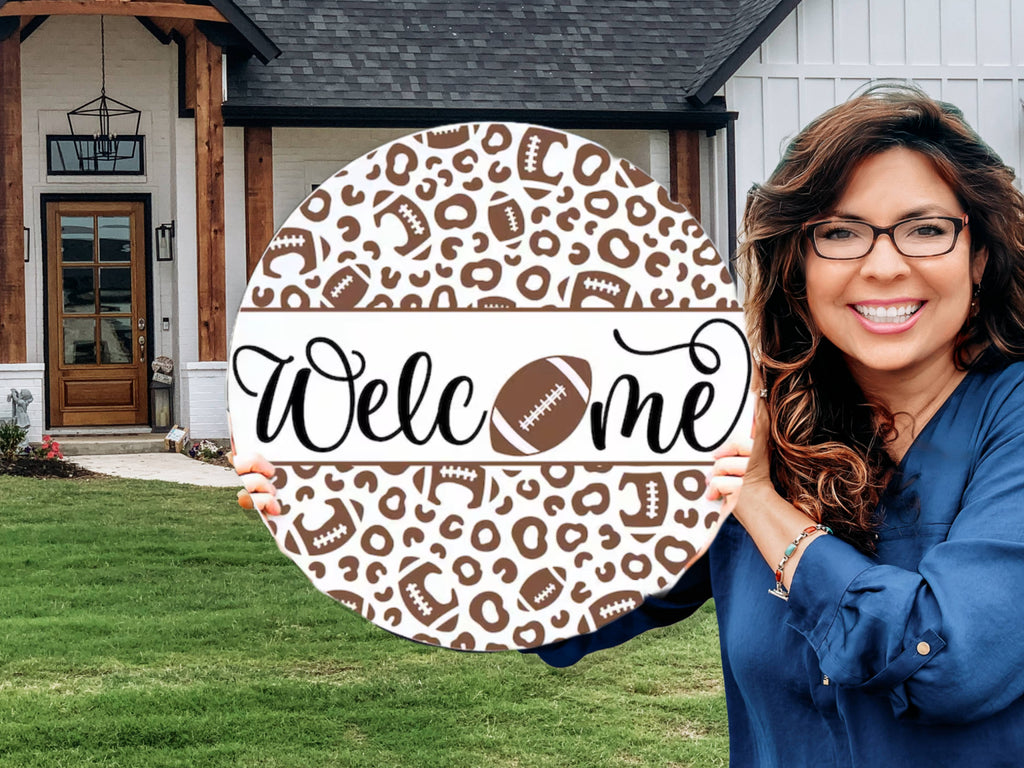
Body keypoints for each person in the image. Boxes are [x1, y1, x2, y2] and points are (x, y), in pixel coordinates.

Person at [236, 85, 1024, 766]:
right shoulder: (759, 420)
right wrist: (343, 507)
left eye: (925, 229)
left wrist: (754, 498)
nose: (883, 265)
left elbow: (948, 662)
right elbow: (560, 605)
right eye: (840, 232)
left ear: (979, 255)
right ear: (799, 262)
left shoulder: (1006, 416)